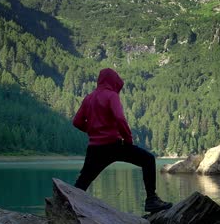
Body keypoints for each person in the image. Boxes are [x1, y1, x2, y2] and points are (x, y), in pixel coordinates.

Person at [72, 68, 172, 213]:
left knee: (83, 182)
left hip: (95, 149)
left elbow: (77, 122)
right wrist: (128, 139)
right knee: (148, 160)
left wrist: (93, 131)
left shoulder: (89, 98)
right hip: (114, 146)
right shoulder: (111, 96)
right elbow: (120, 118)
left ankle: (68, 206)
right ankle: (151, 200)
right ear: (113, 81)